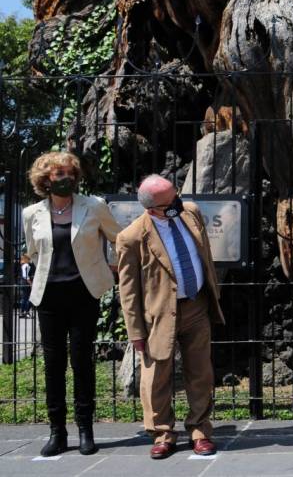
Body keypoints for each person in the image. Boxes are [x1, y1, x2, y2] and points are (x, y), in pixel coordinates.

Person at [116, 174, 225, 459]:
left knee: (200, 372)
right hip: (158, 315)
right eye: (169, 202)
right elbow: (128, 291)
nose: (177, 203)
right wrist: (135, 332)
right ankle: (162, 433)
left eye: (176, 196)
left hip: (196, 305)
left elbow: (204, 254)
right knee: (156, 378)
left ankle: (200, 431)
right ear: (152, 208)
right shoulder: (131, 237)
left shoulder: (192, 213)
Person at [22, 151, 122, 456]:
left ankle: (85, 429)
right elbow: (30, 252)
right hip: (49, 296)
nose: (65, 178)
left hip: (83, 293)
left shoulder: (94, 206)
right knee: (53, 366)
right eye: (58, 174)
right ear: (45, 179)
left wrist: (114, 269)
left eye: (69, 173)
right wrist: (26, 266)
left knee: (82, 362)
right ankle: (57, 432)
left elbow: (118, 238)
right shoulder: (31, 214)